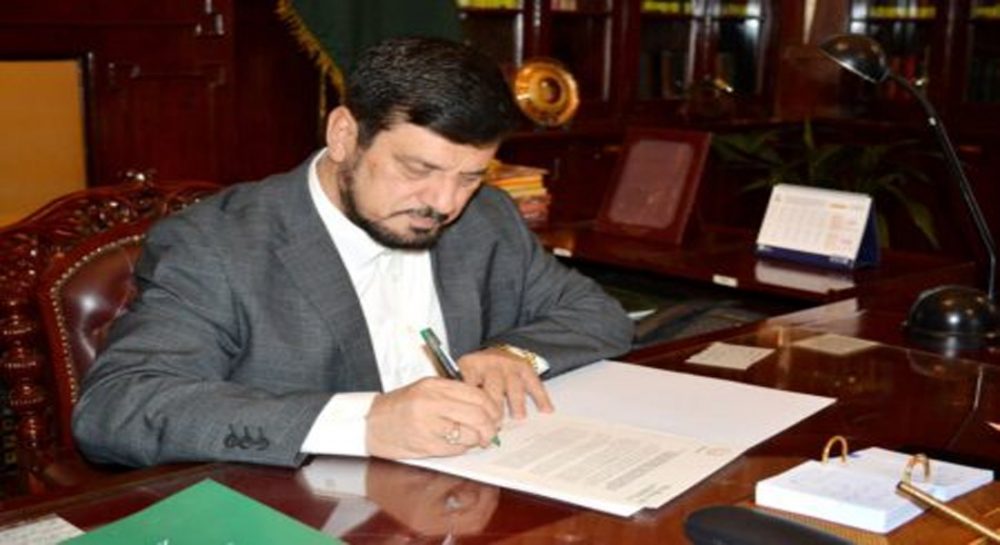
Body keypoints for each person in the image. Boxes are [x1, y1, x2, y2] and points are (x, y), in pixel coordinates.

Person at [72, 36, 633, 468]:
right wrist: (365, 422)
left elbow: (597, 314)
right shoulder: (217, 245)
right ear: (344, 134)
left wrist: (515, 355)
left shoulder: (487, 219)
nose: (444, 204)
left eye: (469, 177)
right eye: (418, 168)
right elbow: (117, 408)